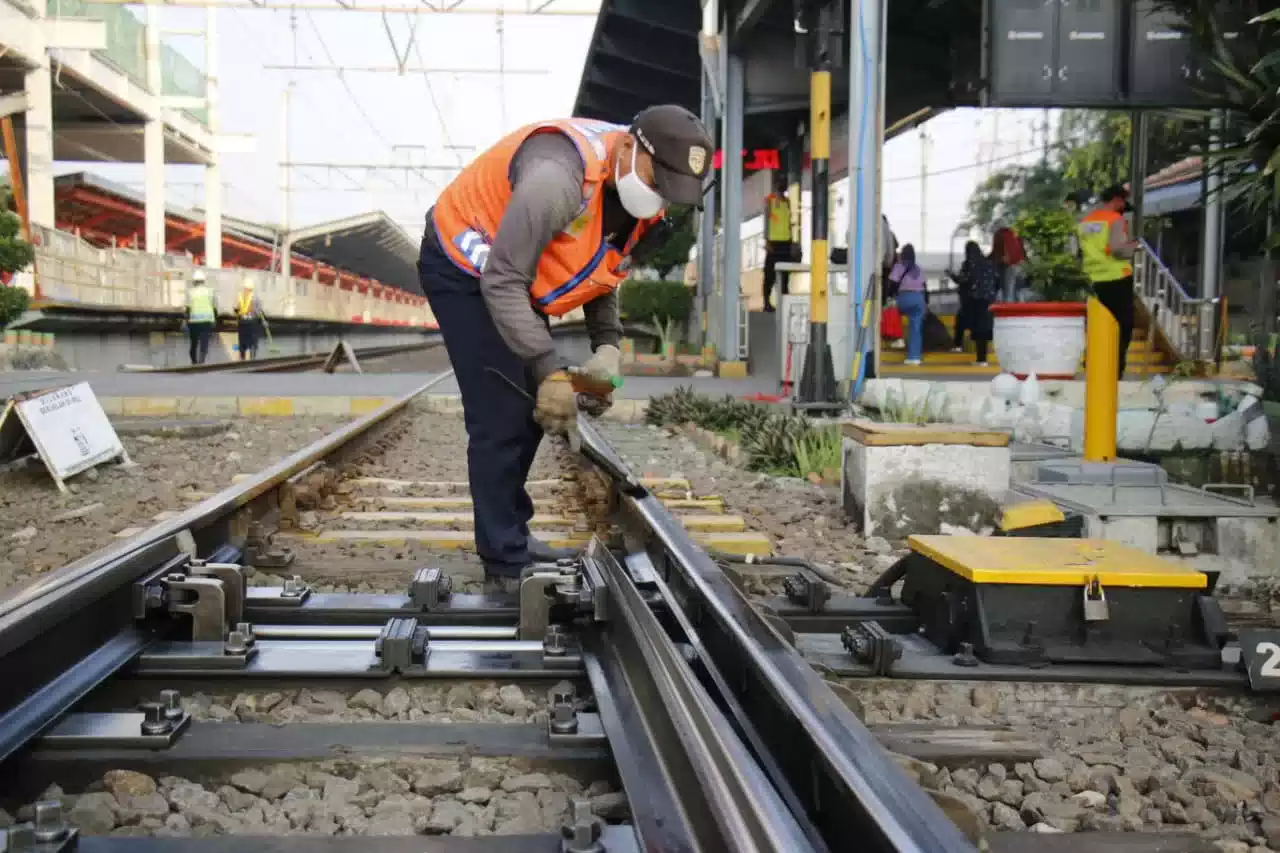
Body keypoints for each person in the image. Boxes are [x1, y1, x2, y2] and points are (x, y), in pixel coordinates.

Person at [417, 106, 713, 591]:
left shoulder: (641, 198)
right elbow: (503, 280)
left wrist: (607, 348)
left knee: (533, 402)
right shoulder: (556, 181)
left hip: (512, 277)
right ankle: (504, 563)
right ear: (629, 148)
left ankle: (511, 534)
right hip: (465, 266)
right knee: (502, 411)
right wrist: (549, 370)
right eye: (658, 179)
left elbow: (603, 267)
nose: (661, 196)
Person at [1077, 184, 1139, 379]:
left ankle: (1093, 365)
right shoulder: (1115, 220)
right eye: (1122, 202)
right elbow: (1117, 249)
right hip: (1117, 277)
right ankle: (1115, 368)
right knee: (1123, 325)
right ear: (1117, 200)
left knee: (1096, 325)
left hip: (1092, 279)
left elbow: (1078, 252)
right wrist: (1134, 246)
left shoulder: (1085, 222)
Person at [948, 241, 999, 366]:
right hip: (988, 300)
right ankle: (982, 359)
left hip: (974, 300)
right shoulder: (989, 264)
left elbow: (963, 279)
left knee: (964, 321)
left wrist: (951, 275)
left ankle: (959, 346)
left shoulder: (969, 264)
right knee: (983, 328)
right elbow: (997, 280)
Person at [888, 244, 927, 366]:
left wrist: (889, 297)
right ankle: (914, 357)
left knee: (891, 310)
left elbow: (892, 285)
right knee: (916, 328)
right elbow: (926, 288)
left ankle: (897, 339)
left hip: (904, 297)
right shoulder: (919, 269)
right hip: (919, 299)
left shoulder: (899, 267)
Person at [762, 176, 795, 312]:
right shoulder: (769, 200)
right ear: (776, 184)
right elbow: (766, 221)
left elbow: (789, 223)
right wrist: (766, 240)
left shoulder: (787, 202)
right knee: (769, 274)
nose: (783, 185)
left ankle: (784, 303)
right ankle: (767, 303)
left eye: (784, 182)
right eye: (781, 182)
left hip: (786, 242)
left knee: (785, 274)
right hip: (773, 243)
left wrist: (792, 242)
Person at [185, 269, 217, 365]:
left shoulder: (190, 292)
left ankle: (194, 361)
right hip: (206, 320)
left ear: (194, 281)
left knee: (194, 343)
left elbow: (188, 308)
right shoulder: (210, 291)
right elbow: (214, 306)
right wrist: (215, 319)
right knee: (204, 342)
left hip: (194, 321)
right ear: (203, 280)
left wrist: (187, 320)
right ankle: (201, 361)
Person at [234, 279, 265, 361]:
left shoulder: (240, 296)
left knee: (242, 341)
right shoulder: (256, 298)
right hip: (252, 322)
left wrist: (238, 316)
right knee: (253, 341)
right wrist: (261, 319)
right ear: (252, 288)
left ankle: (242, 358)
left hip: (242, 322)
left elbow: (236, 309)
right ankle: (252, 358)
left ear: (244, 287)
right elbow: (259, 311)